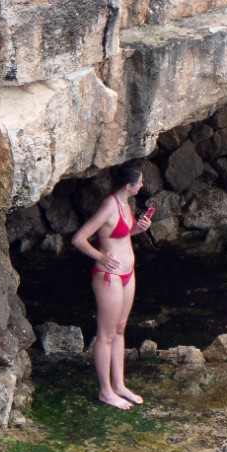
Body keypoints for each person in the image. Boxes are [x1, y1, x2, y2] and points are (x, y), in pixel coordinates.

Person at [69, 161, 154, 409]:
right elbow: (79, 239)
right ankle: (105, 391)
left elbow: (118, 235)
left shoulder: (126, 204)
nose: (142, 185)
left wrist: (137, 229)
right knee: (106, 335)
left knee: (119, 329)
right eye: (139, 182)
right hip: (109, 276)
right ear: (128, 186)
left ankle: (119, 385)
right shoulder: (109, 206)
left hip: (127, 273)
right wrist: (100, 256)